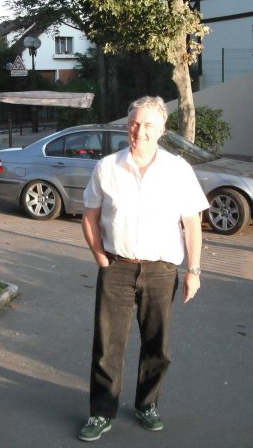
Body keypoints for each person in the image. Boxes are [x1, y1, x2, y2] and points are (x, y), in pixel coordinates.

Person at [78, 96, 209, 442]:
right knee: (107, 345)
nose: (140, 131)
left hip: (161, 270)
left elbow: (192, 223)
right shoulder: (107, 167)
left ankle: (147, 404)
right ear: (128, 126)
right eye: (135, 123)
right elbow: (89, 216)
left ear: (162, 129)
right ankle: (101, 412)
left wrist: (194, 270)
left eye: (148, 125)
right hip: (117, 268)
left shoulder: (178, 169)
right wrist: (100, 258)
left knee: (156, 345)